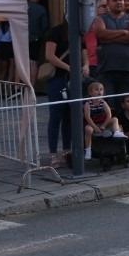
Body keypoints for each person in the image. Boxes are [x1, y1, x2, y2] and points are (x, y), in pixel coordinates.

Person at [43, 19, 87, 168]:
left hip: (73, 79)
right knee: (56, 115)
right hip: (57, 78)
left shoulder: (80, 32)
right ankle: (53, 153)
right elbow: (49, 55)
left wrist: (86, 66)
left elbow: (84, 52)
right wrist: (68, 67)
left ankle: (67, 150)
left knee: (69, 115)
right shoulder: (56, 31)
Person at [93, 0, 129, 103]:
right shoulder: (100, 18)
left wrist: (110, 39)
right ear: (108, 3)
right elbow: (101, 34)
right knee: (109, 104)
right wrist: (123, 32)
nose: (119, 2)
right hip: (106, 70)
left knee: (125, 104)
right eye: (115, 0)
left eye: (120, 0)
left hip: (127, 70)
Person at [82, 80, 124, 160]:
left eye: (101, 90)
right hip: (92, 123)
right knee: (88, 129)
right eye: (96, 89)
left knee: (115, 119)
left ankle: (117, 132)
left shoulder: (103, 102)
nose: (99, 91)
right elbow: (87, 117)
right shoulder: (88, 104)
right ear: (90, 93)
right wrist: (95, 127)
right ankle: (88, 149)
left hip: (102, 122)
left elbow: (109, 114)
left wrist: (104, 125)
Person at [27, 0, 49, 78]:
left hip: (21, 38)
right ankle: (32, 84)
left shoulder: (22, 7)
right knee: (33, 62)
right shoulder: (41, 9)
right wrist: (40, 34)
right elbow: (45, 26)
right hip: (35, 38)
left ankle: (19, 84)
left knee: (21, 62)